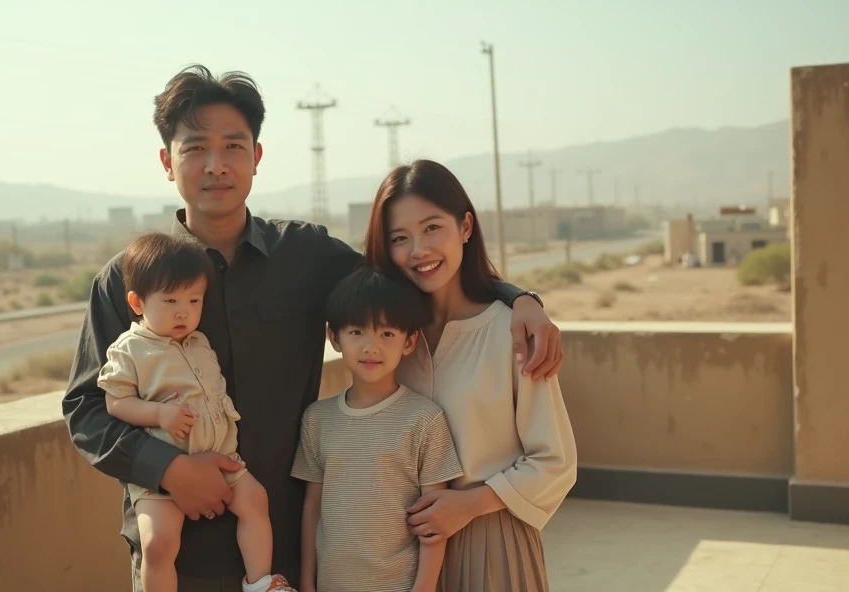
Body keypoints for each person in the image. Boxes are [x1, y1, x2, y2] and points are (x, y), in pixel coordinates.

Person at [62, 64, 565, 591]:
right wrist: (168, 468)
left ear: (256, 157)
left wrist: (517, 297)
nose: (216, 165)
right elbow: (86, 408)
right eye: (195, 149)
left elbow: (408, 279)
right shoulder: (127, 278)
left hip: (284, 547)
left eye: (233, 146)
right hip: (178, 553)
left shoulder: (305, 256)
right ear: (168, 161)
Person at [363, 159, 578, 592]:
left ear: (465, 227)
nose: (419, 250)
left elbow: (555, 461)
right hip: (401, 551)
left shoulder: (512, 332)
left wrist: (470, 504)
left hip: (491, 541)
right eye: (400, 238)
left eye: (431, 228)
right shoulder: (391, 340)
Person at [96, 232, 293, 592]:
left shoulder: (199, 341)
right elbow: (115, 402)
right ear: (137, 302)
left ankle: (260, 583)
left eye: (194, 299)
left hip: (221, 458)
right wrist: (159, 414)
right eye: (170, 300)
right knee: (158, 542)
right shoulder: (130, 348)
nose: (183, 311)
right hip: (164, 474)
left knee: (255, 501)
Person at [292, 267, 463, 592]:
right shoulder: (317, 419)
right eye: (357, 332)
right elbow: (312, 507)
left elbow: (434, 518)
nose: (371, 347)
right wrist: (306, 580)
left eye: (386, 334)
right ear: (334, 337)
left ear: (409, 341)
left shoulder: (425, 420)